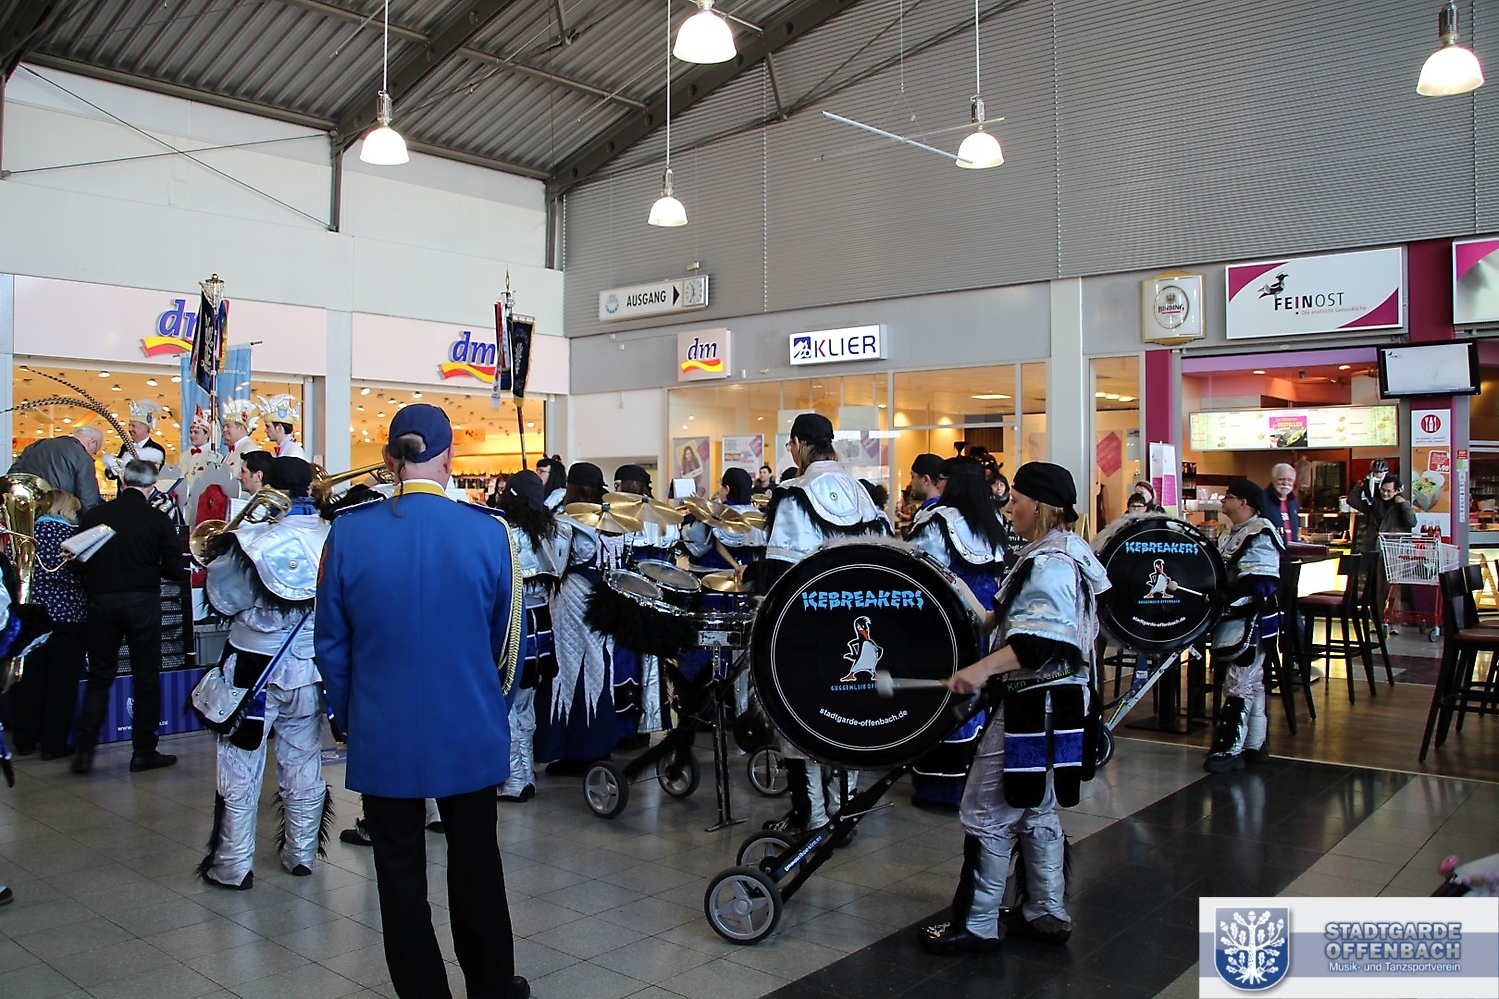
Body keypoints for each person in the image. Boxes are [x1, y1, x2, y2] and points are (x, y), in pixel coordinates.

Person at [317, 404, 527, 999]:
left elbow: (331, 645)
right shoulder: (489, 532)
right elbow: (507, 644)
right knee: (477, 864)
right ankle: (492, 987)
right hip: (469, 722)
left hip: (383, 727)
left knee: (399, 877)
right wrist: (489, 708)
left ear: (390, 458)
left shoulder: (348, 533)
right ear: (450, 456)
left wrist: (352, 719)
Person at [921, 462, 1110, 955]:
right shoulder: (1064, 554)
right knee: (1036, 805)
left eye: (1017, 501)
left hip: (1033, 705)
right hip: (1061, 704)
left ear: (1040, 507)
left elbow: (1035, 644)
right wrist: (957, 587)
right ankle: (1045, 912)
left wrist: (978, 671)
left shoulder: (1050, 564)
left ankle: (977, 922)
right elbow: (1003, 622)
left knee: (985, 809)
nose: (1010, 509)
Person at [198, 457, 330, 889]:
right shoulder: (335, 536)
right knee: (304, 760)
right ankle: (301, 854)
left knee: (239, 766)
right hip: (311, 670)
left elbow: (224, 600)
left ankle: (232, 864)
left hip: (251, 672)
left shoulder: (250, 540)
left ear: (268, 487)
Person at [762, 412, 888, 836]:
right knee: (847, 717)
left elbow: (781, 574)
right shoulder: (863, 495)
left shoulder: (793, 494)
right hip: (859, 627)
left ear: (799, 444)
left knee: (799, 721)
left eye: (790, 446)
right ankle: (844, 815)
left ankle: (812, 817)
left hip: (807, 629)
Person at [70, 459, 188, 774]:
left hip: (101, 602)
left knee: (100, 675)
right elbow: (175, 570)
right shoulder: (156, 519)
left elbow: (77, 561)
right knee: (146, 677)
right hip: (142, 602)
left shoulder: (96, 515)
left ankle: (85, 751)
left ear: (122, 482)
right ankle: (144, 752)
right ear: (152, 487)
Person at [904, 457, 1009, 810]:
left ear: (950, 482)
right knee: (977, 691)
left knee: (941, 694)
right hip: (985, 619)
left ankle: (939, 787)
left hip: (944, 619)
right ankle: (974, 779)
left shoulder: (936, 520)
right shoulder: (993, 519)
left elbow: (920, 572)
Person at [495, 470, 571, 803]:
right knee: (525, 702)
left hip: (514, 625)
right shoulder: (554, 533)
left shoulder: (505, 534)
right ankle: (525, 775)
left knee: (507, 702)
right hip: (542, 625)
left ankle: (514, 779)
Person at [536, 462, 618, 772]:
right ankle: (598, 744)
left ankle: (576, 750)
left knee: (567, 671)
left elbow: (553, 564)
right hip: (603, 599)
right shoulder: (610, 520)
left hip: (570, 599)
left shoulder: (565, 521)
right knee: (600, 668)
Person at [1203, 479, 1286, 773]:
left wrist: (1227, 596)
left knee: (1241, 678)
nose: (1222, 500)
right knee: (1251, 679)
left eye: (1228, 496)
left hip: (1252, 617)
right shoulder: (1232, 532)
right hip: (1237, 616)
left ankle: (1229, 747)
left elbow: (1262, 581)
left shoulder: (1260, 532)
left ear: (1243, 503)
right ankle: (1254, 743)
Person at [8, 490, 88, 759]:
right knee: (61, 684)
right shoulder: (74, 537)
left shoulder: (24, 535)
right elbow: (83, 576)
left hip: (32, 617)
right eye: (74, 511)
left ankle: (24, 740)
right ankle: (54, 745)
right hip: (68, 617)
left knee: (29, 680)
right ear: (65, 510)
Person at [1347, 466, 1418, 627]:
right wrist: (1363, 484)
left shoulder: (1400, 505)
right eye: (1383, 490)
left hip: (1394, 549)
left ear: (1396, 491)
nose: (1385, 494)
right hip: (1375, 548)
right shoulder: (1374, 504)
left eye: (1389, 491)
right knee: (1377, 588)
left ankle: (1393, 622)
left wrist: (1404, 505)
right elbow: (1352, 500)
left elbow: (1412, 522)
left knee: (1393, 588)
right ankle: (1378, 622)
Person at [683, 467, 767, 570]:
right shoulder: (757, 514)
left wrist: (698, 512)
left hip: (712, 572)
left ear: (727, 489)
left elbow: (695, 546)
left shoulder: (718, 514)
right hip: (749, 572)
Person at [8, 425, 105, 511]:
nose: (92, 454)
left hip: (29, 509)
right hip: (59, 512)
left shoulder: (36, 445)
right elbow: (87, 500)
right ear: (92, 442)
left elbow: (14, 475)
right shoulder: (83, 456)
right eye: (95, 451)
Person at [103, 401, 166, 486]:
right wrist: (112, 467)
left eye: (133, 426)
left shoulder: (156, 449)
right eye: (129, 425)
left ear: (145, 427)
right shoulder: (125, 446)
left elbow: (153, 477)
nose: (129, 429)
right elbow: (113, 476)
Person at [221, 400, 263, 480]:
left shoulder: (250, 449)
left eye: (228, 426)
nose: (224, 430)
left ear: (241, 428)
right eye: (224, 427)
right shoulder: (233, 450)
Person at [1261, 462, 1300, 545]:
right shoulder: (1261, 499)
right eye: (1281, 479)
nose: (1285, 483)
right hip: (1270, 550)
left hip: (1292, 550)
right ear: (1273, 479)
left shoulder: (1293, 501)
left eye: (1290, 480)